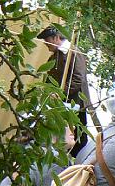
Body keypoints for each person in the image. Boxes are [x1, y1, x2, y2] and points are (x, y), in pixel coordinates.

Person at [37, 26, 91, 156]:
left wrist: (61, 92)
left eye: (47, 40)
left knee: (78, 138)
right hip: (62, 104)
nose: (46, 44)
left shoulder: (73, 52)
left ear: (56, 38)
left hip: (75, 104)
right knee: (63, 137)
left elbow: (78, 79)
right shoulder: (56, 56)